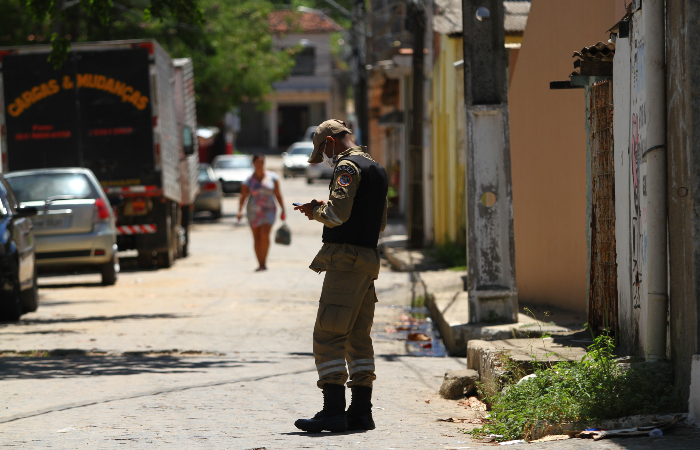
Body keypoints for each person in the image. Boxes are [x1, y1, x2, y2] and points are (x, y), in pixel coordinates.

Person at [293, 119, 388, 433]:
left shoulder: (347, 168)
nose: (326, 158)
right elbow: (378, 222)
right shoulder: (376, 168)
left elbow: (336, 215)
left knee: (329, 334)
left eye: (324, 151)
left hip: (345, 262)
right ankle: (361, 412)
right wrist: (327, 207)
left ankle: (333, 410)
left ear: (331, 142)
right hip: (367, 261)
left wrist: (315, 211)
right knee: (359, 338)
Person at [237, 154, 285, 271]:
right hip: (253, 211)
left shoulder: (272, 177)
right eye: (257, 162)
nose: (259, 164)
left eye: (261, 162)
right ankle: (260, 263)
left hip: (269, 210)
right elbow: (243, 196)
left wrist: (283, 208)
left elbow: (277, 194)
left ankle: (264, 261)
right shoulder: (248, 180)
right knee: (257, 237)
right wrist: (239, 211)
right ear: (253, 164)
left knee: (265, 234)